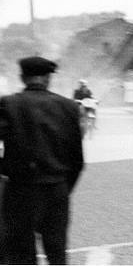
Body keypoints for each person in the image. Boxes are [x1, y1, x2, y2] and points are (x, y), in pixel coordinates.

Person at [0, 56, 84, 265]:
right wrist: (63, 186)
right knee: (57, 252)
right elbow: (77, 160)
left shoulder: (8, 104)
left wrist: (5, 172)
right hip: (57, 190)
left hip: (21, 190)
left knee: (21, 254)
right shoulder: (68, 107)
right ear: (48, 78)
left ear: (22, 77)